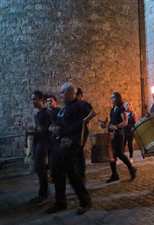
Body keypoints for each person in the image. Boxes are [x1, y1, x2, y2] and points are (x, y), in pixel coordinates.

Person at [47, 83, 92, 215]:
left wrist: (61, 130)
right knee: (57, 175)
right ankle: (60, 202)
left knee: (73, 176)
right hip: (60, 145)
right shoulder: (64, 108)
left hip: (70, 146)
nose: (60, 95)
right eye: (60, 93)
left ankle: (85, 201)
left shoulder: (79, 106)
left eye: (62, 92)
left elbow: (79, 126)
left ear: (70, 93)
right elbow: (61, 124)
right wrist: (53, 128)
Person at [26, 91, 52, 205]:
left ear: (41, 99)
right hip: (37, 143)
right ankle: (43, 193)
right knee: (38, 169)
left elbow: (49, 129)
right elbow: (40, 129)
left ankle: (44, 194)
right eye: (32, 99)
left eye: (35, 99)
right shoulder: (38, 115)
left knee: (40, 169)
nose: (33, 101)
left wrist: (34, 131)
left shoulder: (47, 113)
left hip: (44, 144)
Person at [106, 92, 137, 183]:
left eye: (113, 98)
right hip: (112, 134)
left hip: (119, 134)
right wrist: (107, 125)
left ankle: (132, 169)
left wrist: (117, 126)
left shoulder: (121, 109)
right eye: (111, 97)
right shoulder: (113, 109)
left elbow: (125, 122)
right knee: (111, 155)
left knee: (119, 153)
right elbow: (112, 121)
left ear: (118, 99)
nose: (111, 99)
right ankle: (114, 175)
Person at [76, 88, 96, 178]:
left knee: (79, 151)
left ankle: (81, 173)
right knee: (77, 151)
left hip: (83, 130)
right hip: (77, 129)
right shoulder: (76, 104)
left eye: (75, 96)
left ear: (80, 95)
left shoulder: (85, 104)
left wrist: (84, 120)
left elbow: (92, 113)